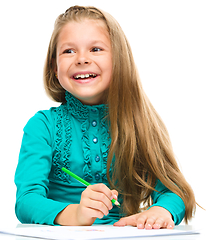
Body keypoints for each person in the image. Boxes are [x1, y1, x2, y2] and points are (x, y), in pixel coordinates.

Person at [15, 5, 196, 229]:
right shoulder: (42, 126)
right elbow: (26, 201)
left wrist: (161, 210)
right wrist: (77, 214)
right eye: (68, 51)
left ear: (119, 60)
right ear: (54, 66)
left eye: (96, 49)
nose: (82, 59)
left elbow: (174, 191)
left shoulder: (139, 125)